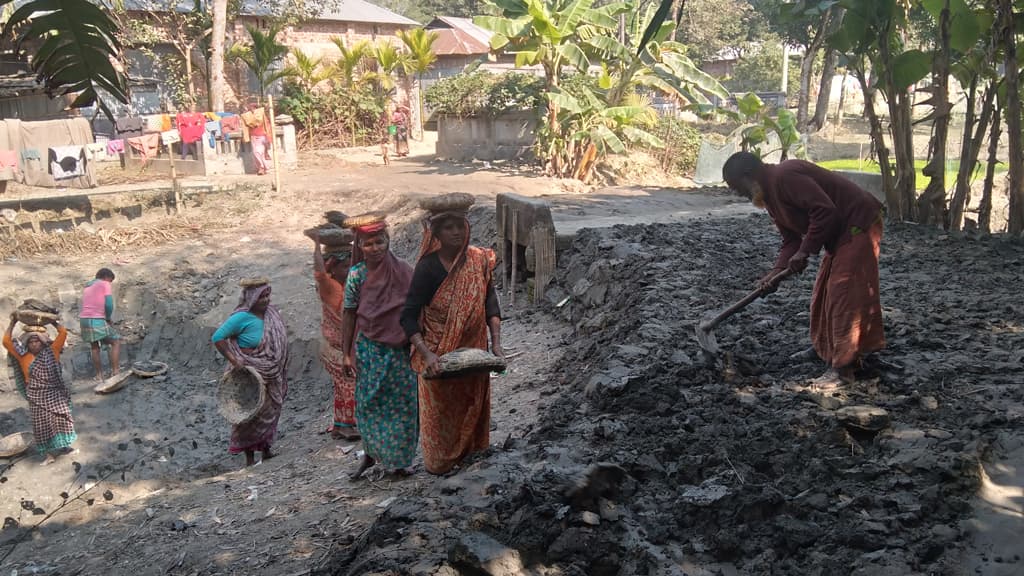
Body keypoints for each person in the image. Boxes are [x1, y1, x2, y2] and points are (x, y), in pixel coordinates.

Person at [722, 152, 885, 387]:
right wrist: (775, 273)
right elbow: (790, 240)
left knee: (844, 294)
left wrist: (805, 251)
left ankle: (843, 370)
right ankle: (826, 348)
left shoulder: (785, 176)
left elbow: (824, 211)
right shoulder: (770, 198)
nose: (736, 192)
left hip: (859, 224)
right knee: (823, 295)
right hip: (838, 235)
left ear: (749, 176)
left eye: (736, 186)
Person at [400, 206, 503, 475]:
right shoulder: (427, 268)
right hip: (438, 354)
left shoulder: (478, 261)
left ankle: (472, 460)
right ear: (436, 233)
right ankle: (443, 465)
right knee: (442, 413)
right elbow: (408, 316)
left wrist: (497, 344)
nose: (456, 232)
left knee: (471, 406)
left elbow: (490, 303)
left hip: (474, 352)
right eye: (448, 227)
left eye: (460, 225)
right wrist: (427, 353)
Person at [341, 216, 418, 479]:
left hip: (400, 349)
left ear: (388, 241)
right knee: (368, 404)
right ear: (359, 246)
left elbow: (417, 309)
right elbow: (349, 313)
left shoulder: (405, 270)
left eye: (379, 241)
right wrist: (346, 353)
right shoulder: (356, 275)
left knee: (403, 405)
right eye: (368, 243)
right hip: (370, 350)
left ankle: (401, 461)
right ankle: (370, 455)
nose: (374, 247)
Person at [211, 279, 290, 466]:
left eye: (267, 295)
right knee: (249, 415)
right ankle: (249, 458)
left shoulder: (271, 315)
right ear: (251, 298)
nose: (265, 300)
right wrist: (234, 360)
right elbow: (218, 337)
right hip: (250, 374)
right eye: (261, 297)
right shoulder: (241, 318)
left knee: (271, 410)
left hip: (271, 372)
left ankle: (266, 450)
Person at [306, 227, 360, 441]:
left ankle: (339, 424)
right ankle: (348, 425)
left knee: (342, 385)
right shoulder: (328, 286)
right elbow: (319, 271)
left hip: (340, 345)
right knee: (349, 383)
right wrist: (317, 245)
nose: (350, 269)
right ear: (333, 267)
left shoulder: (347, 283)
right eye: (345, 266)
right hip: (336, 347)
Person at [4, 315, 75, 465]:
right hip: (36, 397)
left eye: (37, 341)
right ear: (27, 343)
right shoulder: (22, 356)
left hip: (54, 394)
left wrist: (53, 322)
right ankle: (49, 455)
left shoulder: (52, 351)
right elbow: (6, 342)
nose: (34, 344)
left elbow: (62, 334)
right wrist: (13, 322)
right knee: (42, 426)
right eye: (31, 341)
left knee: (62, 419)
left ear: (43, 342)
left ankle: (64, 446)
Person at [79, 268, 120, 382]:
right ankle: (116, 372)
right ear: (106, 277)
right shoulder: (104, 284)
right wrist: (107, 318)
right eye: (110, 280)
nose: (110, 283)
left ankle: (99, 376)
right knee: (115, 341)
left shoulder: (88, 286)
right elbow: (109, 304)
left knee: (95, 347)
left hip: (84, 320)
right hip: (95, 319)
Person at [242, 103, 271, 176]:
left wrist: (268, 136)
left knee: (261, 153)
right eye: (250, 108)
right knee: (257, 153)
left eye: (253, 108)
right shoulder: (248, 116)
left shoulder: (260, 114)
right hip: (254, 136)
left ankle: (264, 168)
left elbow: (266, 124)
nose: (252, 109)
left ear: (256, 108)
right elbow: (247, 125)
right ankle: (261, 168)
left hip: (262, 136)